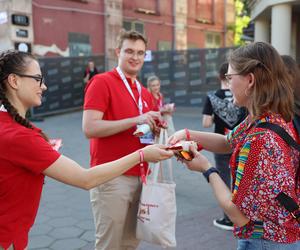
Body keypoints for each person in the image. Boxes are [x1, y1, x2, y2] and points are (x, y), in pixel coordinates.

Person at [0, 50, 173, 250]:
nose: (44, 86)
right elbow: (86, 179)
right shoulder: (19, 136)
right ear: (14, 81)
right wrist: (142, 155)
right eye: (38, 79)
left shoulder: (12, 130)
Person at [169, 42, 300, 249]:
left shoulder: (259, 138)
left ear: (250, 80)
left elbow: (236, 214)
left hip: (265, 242)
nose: (228, 84)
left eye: (230, 78)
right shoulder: (267, 118)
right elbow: (227, 142)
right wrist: (186, 133)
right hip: (283, 235)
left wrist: (206, 168)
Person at [82, 30, 162, 250]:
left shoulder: (144, 92)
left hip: (141, 176)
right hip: (111, 177)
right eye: (129, 51)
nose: (135, 57)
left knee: (130, 242)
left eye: (140, 53)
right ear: (118, 52)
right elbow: (89, 128)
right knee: (109, 244)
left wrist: (154, 129)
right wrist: (136, 119)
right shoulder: (101, 82)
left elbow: (142, 131)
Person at [202, 62, 247, 230]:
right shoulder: (243, 94)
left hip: (220, 140)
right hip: (241, 142)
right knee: (240, 176)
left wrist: (216, 116)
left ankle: (228, 217)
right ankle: (241, 212)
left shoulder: (212, 96)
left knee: (222, 178)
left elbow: (206, 123)